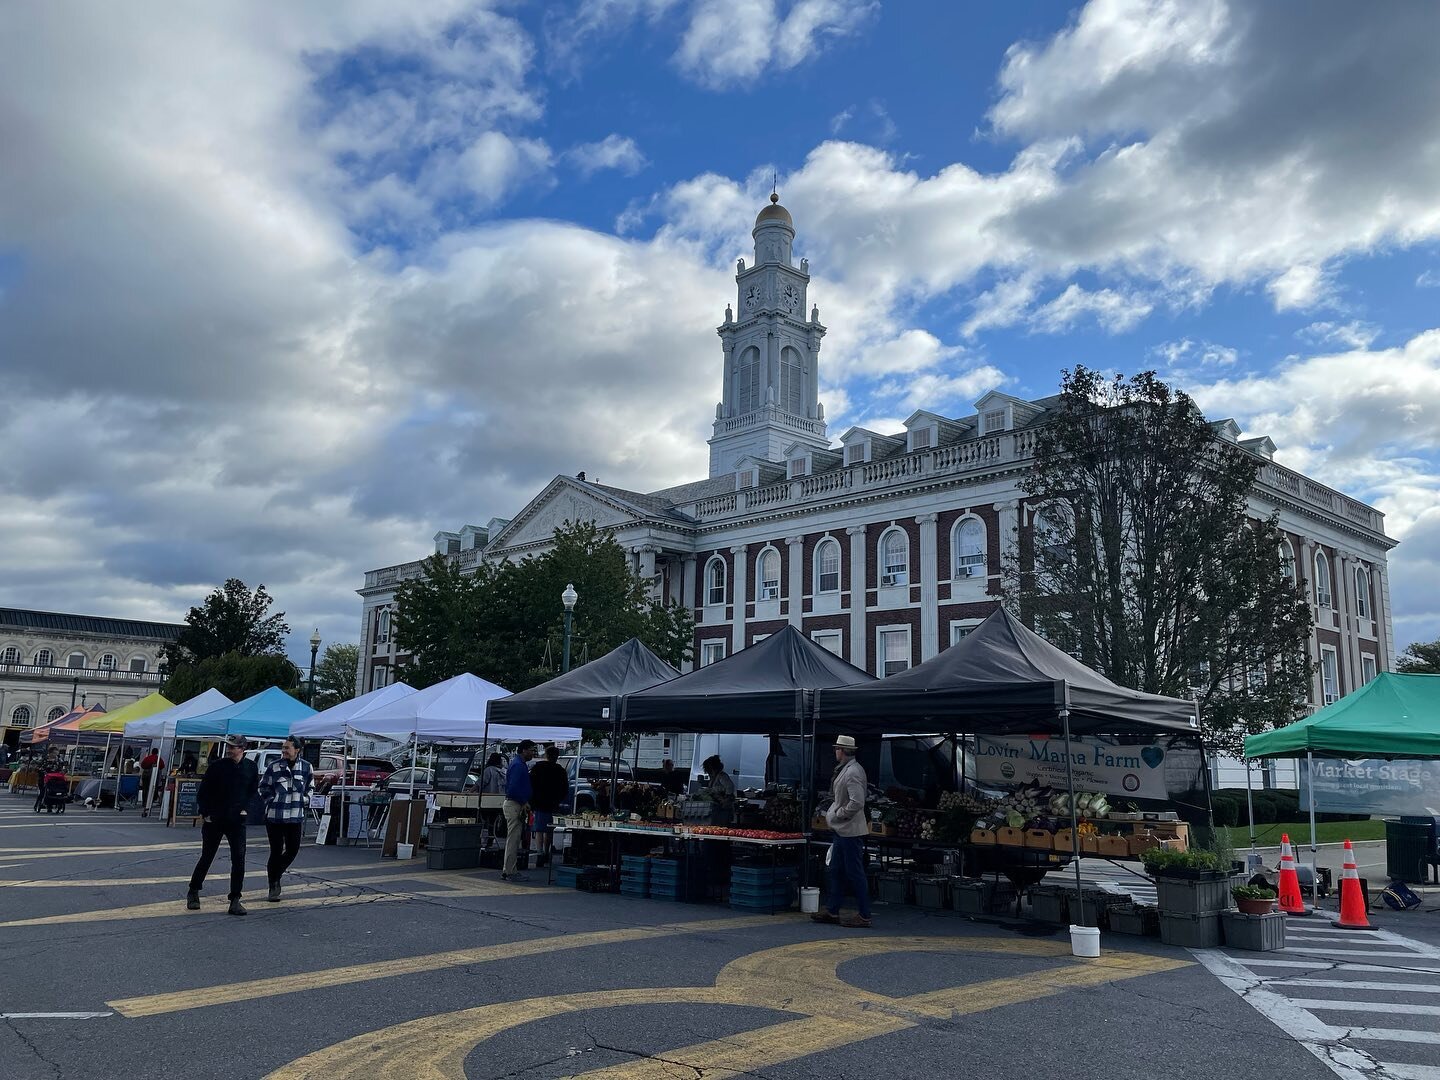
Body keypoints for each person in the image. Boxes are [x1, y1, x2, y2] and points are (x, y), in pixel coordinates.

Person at [186, 735, 259, 916]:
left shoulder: (250, 767)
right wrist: (206, 813)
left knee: (239, 859)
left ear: (243, 748)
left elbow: (252, 791)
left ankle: (235, 898)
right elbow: (203, 791)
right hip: (215, 818)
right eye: (228, 746)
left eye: (233, 747)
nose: (229, 750)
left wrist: (246, 809)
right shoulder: (217, 766)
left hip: (237, 820)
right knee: (207, 856)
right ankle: (194, 890)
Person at [812, 735, 872, 929]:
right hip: (843, 830)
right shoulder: (848, 769)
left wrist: (839, 814)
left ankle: (864, 915)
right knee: (836, 870)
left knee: (854, 873)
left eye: (837, 748)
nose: (835, 751)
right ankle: (832, 910)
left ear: (844, 751)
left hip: (849, 830)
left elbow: (857, 801)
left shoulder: (852, 772)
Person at [257, 735, 313, 903]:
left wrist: (305, 800)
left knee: (293, 849)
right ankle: (273, 885)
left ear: (297, 750)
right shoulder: (274, 766)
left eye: (287, 748)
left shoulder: (306, 767)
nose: (284, 751)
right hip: (275, 816)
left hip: (295, 816)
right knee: (275, 850)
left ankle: (276, 874)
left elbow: (310, 787)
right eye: (283, 748)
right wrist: (270, 800)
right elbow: (263, 786)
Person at [501, 741, 537, 881]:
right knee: (513, 840)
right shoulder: (518, 765)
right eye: (532, 750)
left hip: (516, 804)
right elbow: (513, 788)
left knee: (514, 839)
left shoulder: (518, 764)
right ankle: (510, 871)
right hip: (515, 804)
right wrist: (524, 801)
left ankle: (509, 869)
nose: (534, 753)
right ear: (523, 750)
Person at [527, 746, 569, 868]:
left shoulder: (538, 768)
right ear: (557, 756)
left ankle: (539, 853)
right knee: (549, 829)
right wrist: (558, 799)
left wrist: (532, 800)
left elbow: (531, 784)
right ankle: (546, 851)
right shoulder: (560, 770)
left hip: (539, 803)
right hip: (553, 803)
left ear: (546, 755)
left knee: (539, 829)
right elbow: (564, 789)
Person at [702, 755, 735, 826]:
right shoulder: (714, 777)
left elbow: (730, 787)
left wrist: (726, 799)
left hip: (722, 807)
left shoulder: (722, 776)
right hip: (716, 807)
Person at [139, 747, 164, 816]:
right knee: (153, 789)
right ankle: (150, 802)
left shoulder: (147, 758)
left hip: (146, 775)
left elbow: (142, 765)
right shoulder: (158, 759)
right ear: (157, 752)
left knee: (145, 788)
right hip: (154, 776)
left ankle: (144, 802)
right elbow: (162, 766)